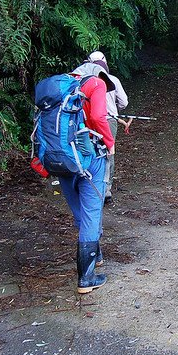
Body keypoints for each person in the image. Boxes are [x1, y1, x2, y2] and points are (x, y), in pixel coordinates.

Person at [59, 61, 115, 293]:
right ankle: (86, 278)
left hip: (61, 157)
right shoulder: (96, 83)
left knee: (80, 212)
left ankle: (96, 254)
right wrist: (110, 143)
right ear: (99, 72)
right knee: (92, 211)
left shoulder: (62, 87)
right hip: (89, 157)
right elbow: (99, 117)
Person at [86, 51, 128, 204]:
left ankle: (90, 187)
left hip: (87, 122)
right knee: (109, 153)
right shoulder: (113, 80)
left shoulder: (85, 81)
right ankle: (106, 190)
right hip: (109, 121)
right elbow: (124, 102)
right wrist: (114, 107)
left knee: (89, 151)